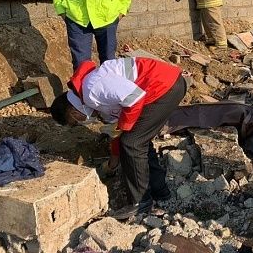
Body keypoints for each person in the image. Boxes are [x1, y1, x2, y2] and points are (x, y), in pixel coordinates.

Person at [50, 57, 186, 220]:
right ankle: (160, 190)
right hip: (162, 88)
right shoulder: (96, 104)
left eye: (76, 121)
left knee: (132, 143)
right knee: (138, 141)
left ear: (73, 112)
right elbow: (117, 132)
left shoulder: (93, 89)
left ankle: (140, 202)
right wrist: (114, 160)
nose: (81, 122)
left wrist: (125, 129)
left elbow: (134, 98)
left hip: (164, 87)